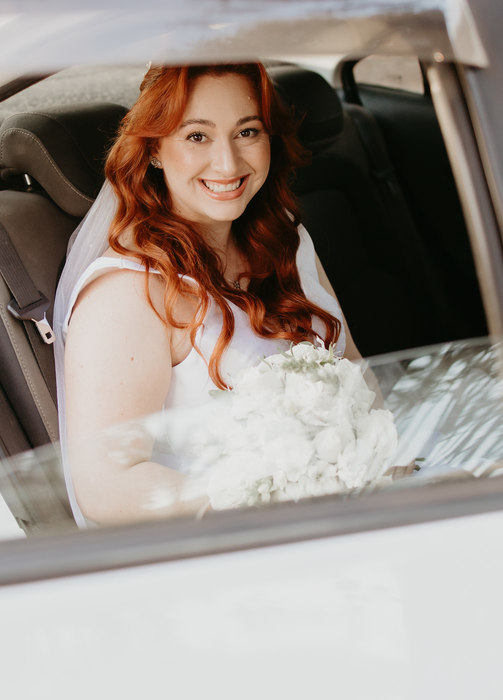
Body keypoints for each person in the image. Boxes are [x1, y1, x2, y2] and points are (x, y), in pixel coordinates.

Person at [54, 62, 372, 527]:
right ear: (156, 150)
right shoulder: (129, 292)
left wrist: (384, 462)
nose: (228, 163)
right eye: (197, 136)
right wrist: (273, 489)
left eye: (247, 132)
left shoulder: (288, 240)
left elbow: (359, 375)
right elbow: (107, 487)